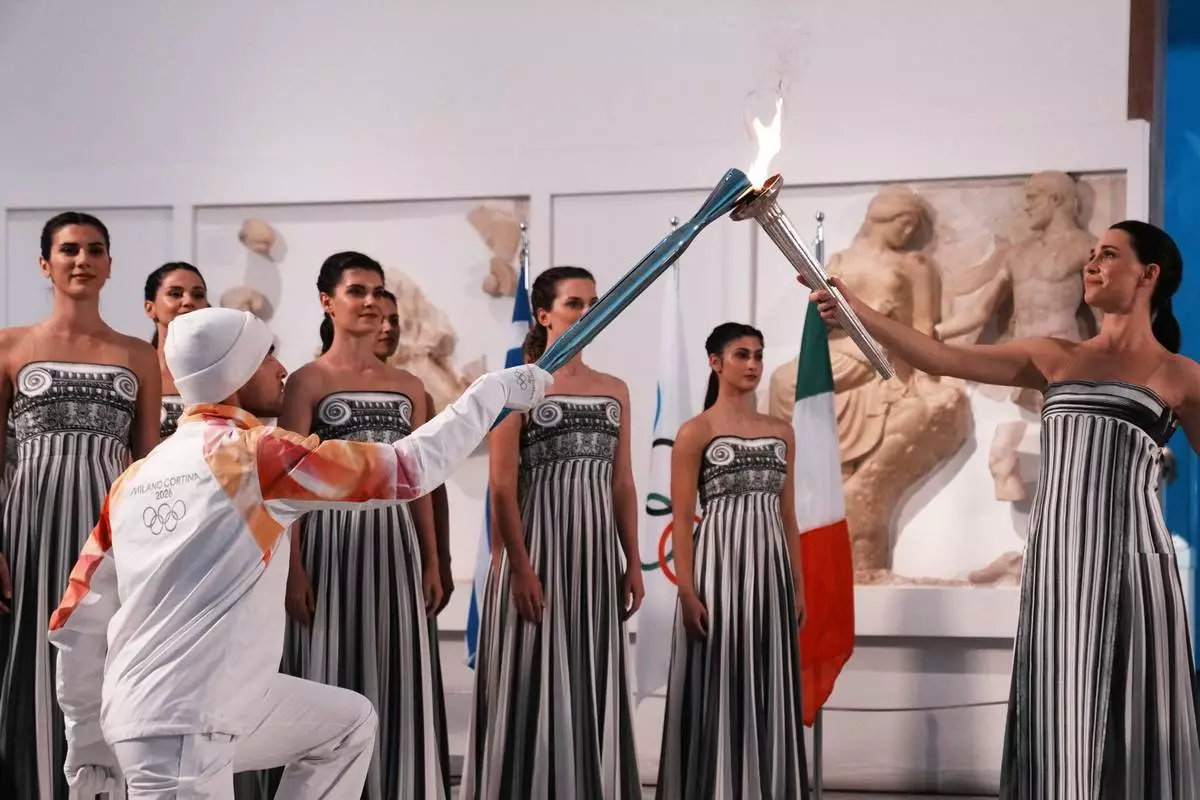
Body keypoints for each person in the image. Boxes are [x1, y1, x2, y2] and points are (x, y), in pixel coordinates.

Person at [47, 305, 552, 798]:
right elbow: (406, 469)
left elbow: (75, 621)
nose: (281, 368)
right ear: (236, 372)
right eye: (267, 355)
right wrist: (492, 392)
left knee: (346, 727)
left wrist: (87, 744)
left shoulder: (134, 479)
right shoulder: (252, 456)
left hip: (183, 708)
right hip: (182, 726)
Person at [807, 220, 1200, 797]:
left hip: (1134, 568)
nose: (1091, 263)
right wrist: (855, 309)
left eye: (1109, 255)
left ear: (1149, 274)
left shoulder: (1181, 376)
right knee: (1058, 709)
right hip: (1058, 566)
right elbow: (940, 357)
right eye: (1091, 253)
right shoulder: (1052, 356)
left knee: (1134, 712)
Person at [461, 266, 644, 800]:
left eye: (594, 302)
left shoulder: (614, 389)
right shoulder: (514, 385)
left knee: (589, 676)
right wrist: (520, 569)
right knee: (531, 678)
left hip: (594, 561)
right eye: (574, 304)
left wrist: (632, 561)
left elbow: (622, 482)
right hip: (537, 554)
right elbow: (501, 486)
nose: (588, 312)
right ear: (543, 315)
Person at [0, 211, 161, 800]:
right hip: (28, 531)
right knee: (26, 659)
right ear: (45, 263)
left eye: (95, 250)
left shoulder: (137, 355)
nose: (82, 260)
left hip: (110, 534)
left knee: (103, 660)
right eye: (69, 250)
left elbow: (149, 465)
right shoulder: (9, 345)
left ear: (110, 265)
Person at [279, 252, 449, 799]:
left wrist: (432, 559)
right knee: (327, 668)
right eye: (357, 291)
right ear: (327, 302)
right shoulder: (305, 381)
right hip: (329, 546)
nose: (372, 301)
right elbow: (286, 483)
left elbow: (418, 479)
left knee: (396, 668)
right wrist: (293, 570)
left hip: (395, 545)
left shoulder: (410, 386)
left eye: (377, 291)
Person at [656, 322, 810, 800]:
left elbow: (788, 516)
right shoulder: (695, 432)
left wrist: (799, 586)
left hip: (771, 575)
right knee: (720, 678)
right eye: (742, 354)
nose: (753, 364)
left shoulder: (781, 432)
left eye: (758, 355)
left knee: (769, 679)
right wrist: (687, 591)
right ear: (715, 362)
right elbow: (682, 519)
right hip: (719, 572)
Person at [143, 262, 210, 439]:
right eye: (175, 294)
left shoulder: (224, 375)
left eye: (198, 295)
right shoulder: (136, 374)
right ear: (150, 308)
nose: (188, 301)